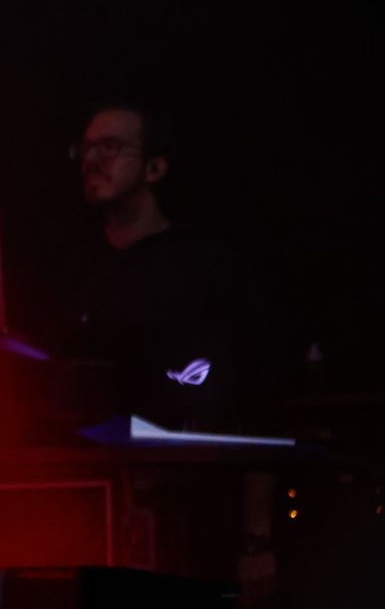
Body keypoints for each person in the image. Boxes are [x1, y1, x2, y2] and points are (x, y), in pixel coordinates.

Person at [66, 103, 272, 429]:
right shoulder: (72, 265)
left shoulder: (205, 263)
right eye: (86, 149)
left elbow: (255, 382)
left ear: (154, 168)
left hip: (185, 464)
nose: (91, 160)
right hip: (92, 463)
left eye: (109, 147)